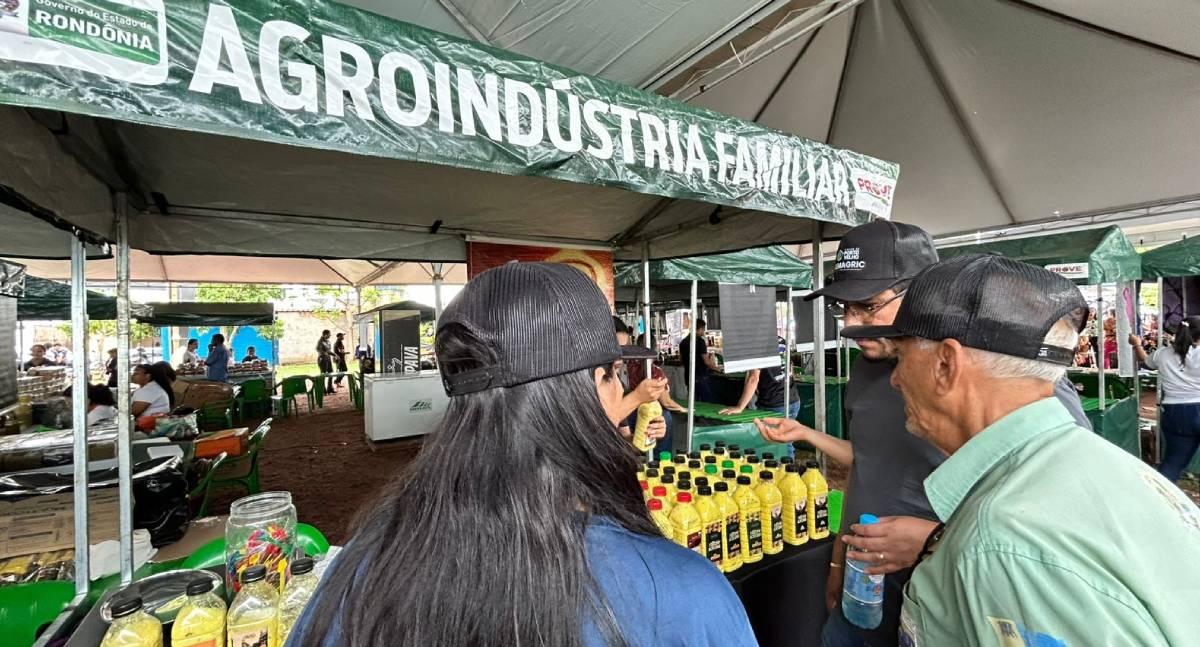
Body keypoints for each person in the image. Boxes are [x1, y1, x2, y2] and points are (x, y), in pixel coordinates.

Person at [286, 263, 754, 647]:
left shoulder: (365, 565)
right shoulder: (677, 589)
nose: (621, 394)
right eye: (613, 374)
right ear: (585, 389)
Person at [754, 220, 1091, 647]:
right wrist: (840, 561)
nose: (851, 325)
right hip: (866, 583)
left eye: (868, 306)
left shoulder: (1001, 375)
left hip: (951, 585)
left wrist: (935, 540)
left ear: (922, 295)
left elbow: (1062, 504)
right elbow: (871, 462)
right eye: (844, 308)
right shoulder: (867, 367)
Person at [847, 254, 1200, 646]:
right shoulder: (1108, 466)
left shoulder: (1001, 541)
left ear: (946, 364)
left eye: (904, 358)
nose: (895, 380)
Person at [1132, 316, 1200, 482]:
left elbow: (1145, 362)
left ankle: (1159, 503)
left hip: (1174, 412)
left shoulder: (1162, 354)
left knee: (1173, 463)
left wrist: (1137, 344)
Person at [614, 317, 678, 451]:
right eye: (616, 350)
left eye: (624, 350)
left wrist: (647, 436)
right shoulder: (582, 385)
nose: (620, 358)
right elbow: (593, 432)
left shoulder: (618, 385)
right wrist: (637, 397)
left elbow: (625, 441)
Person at [679, 319, 717, 403]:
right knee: (707, 401)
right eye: (703, 329)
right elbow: (706, 361)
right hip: (700, 376)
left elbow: (681, 360)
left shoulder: (683, 342)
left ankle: (694, 416)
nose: (703, 332)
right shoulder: (700, 341)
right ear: (699, 329)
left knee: (693, 401)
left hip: (688, 376)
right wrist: (717, 368)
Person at [316, 330, 334, 394]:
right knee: (323, 375)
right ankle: (323, 390)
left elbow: (329, 351)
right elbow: (318, 350)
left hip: (328, 359)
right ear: (325, 334)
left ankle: (330, 388)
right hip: (322, 360)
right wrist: (324, 353)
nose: (330, 335)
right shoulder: (320, 342)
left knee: (331, 373)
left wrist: (335, 355)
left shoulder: (328, 341)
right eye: (329, 334)